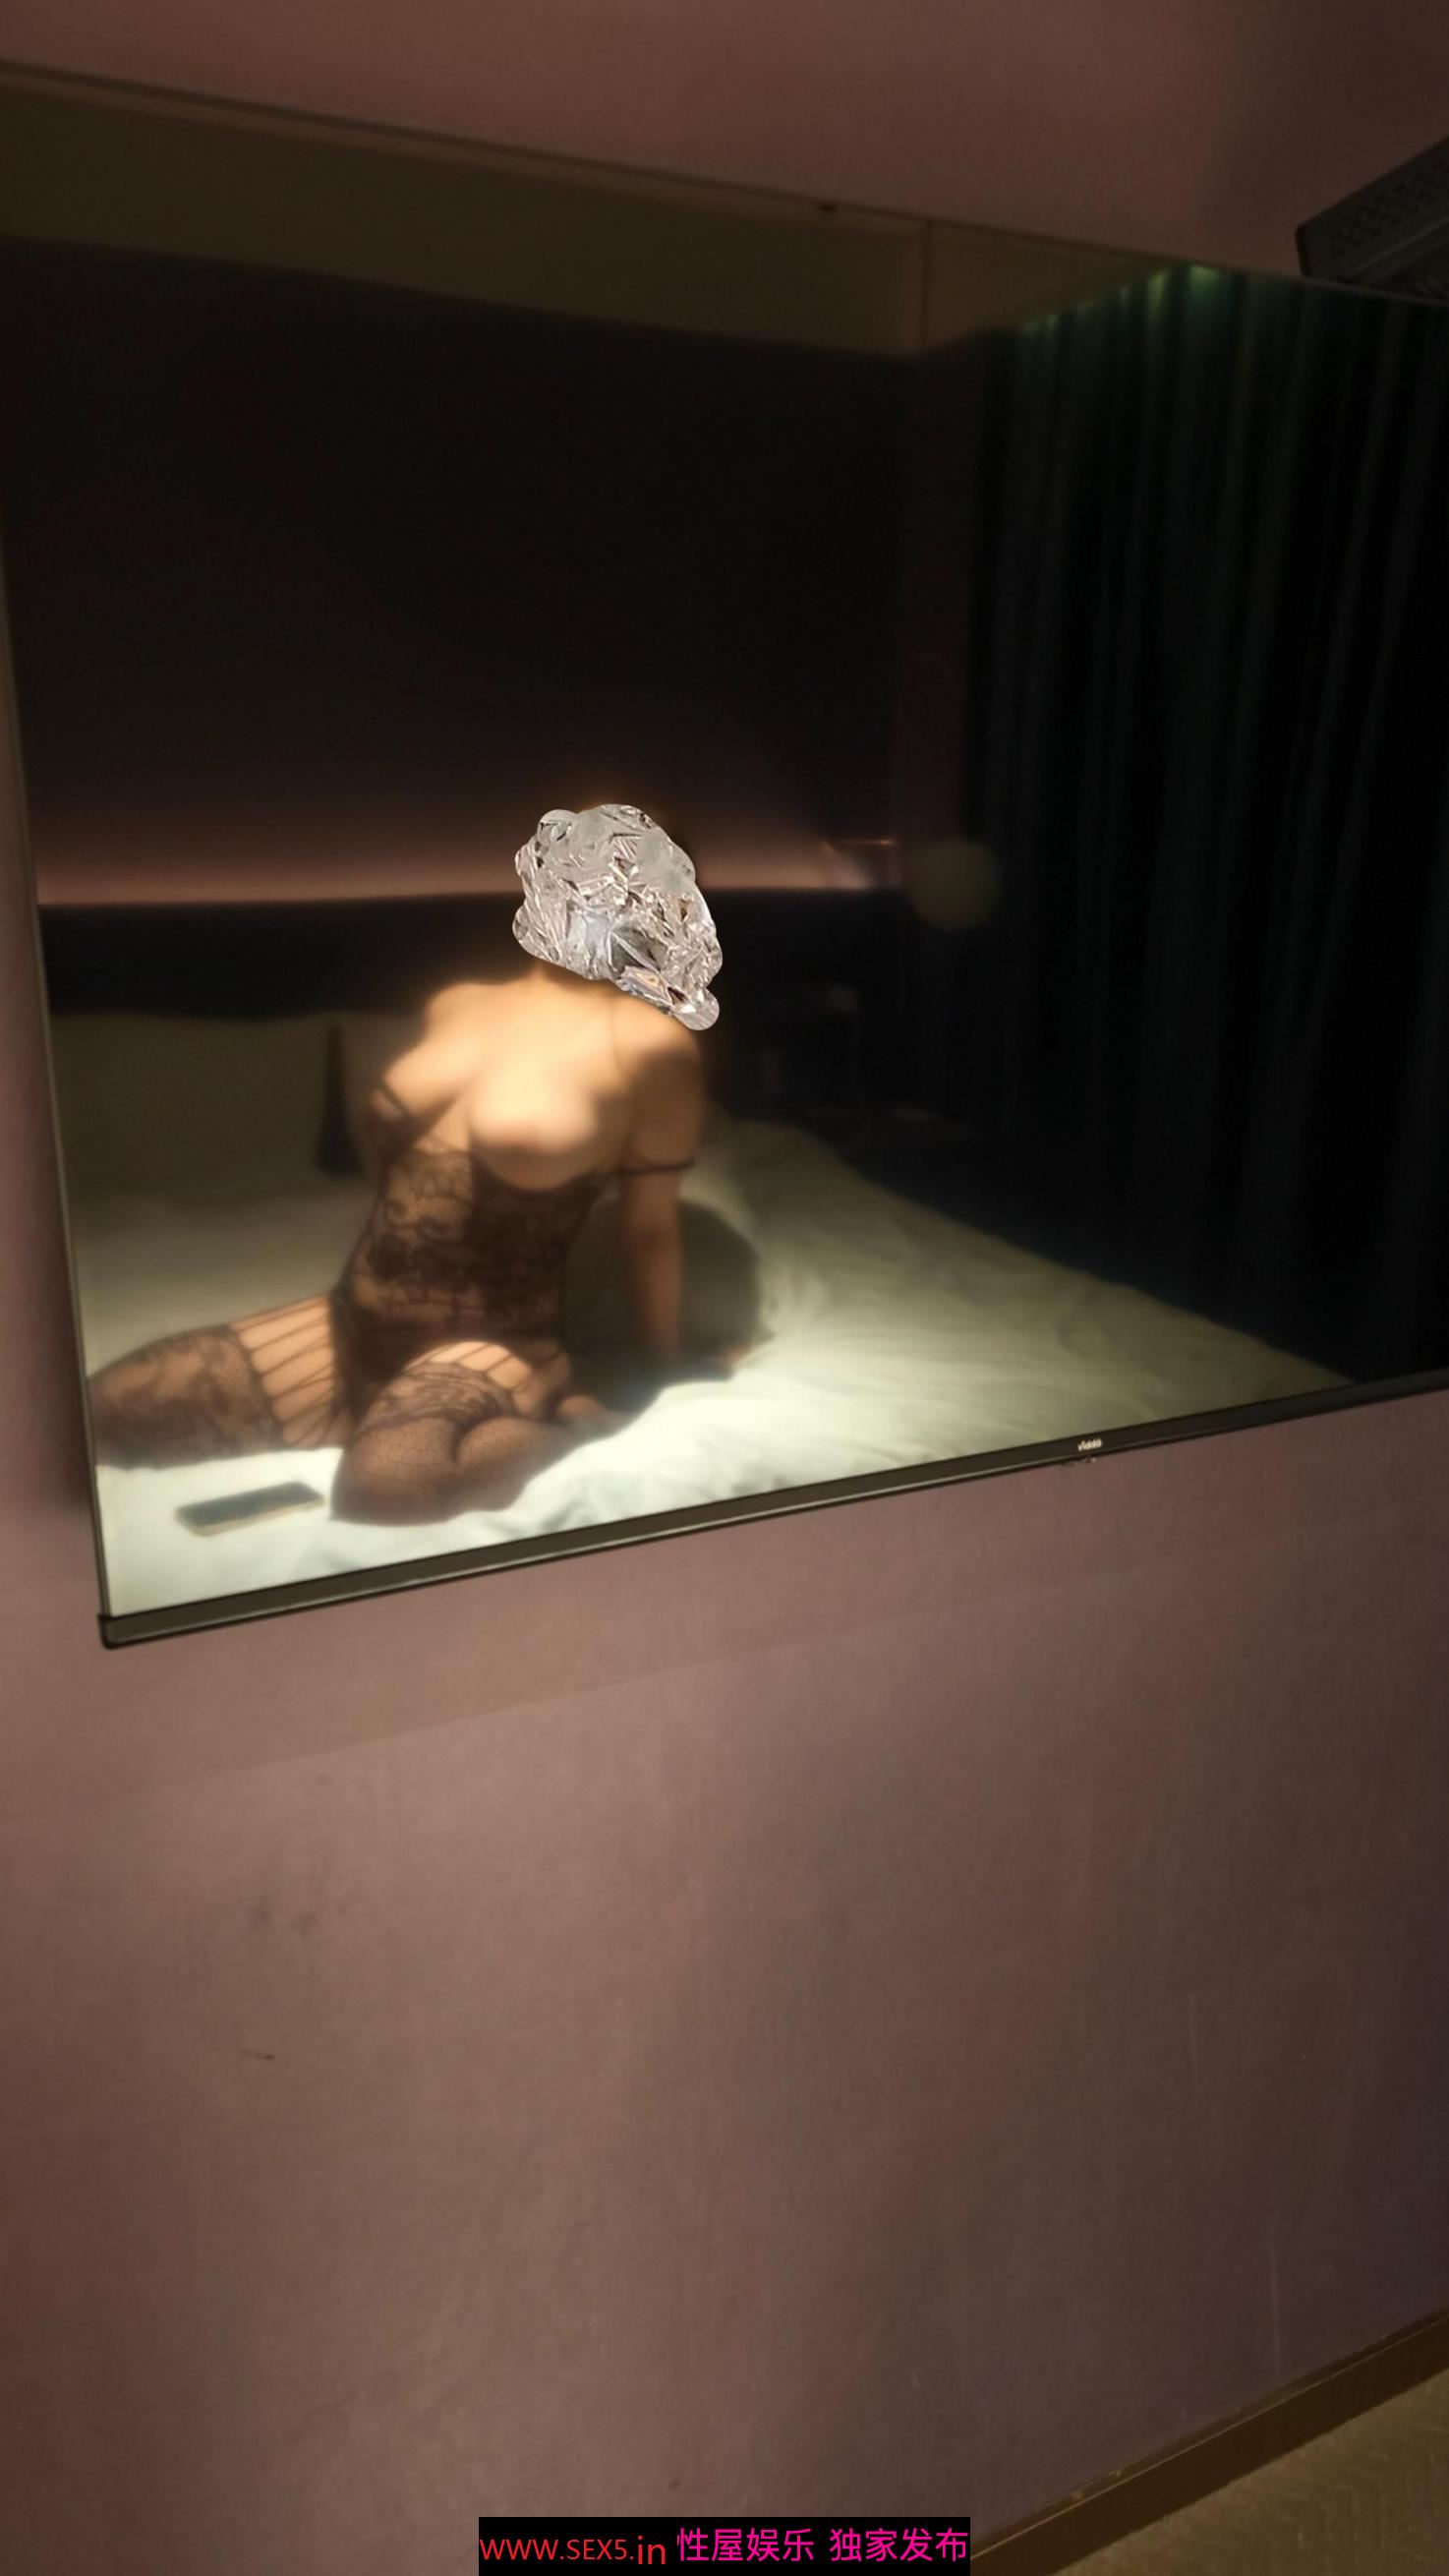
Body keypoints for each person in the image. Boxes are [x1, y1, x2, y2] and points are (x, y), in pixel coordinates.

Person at [89, 803, 727, 1524]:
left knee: (389, 1489)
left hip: (494, 1344)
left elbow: (650, 1231)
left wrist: (656, 1371)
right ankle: (373, 1410)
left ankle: (569, 1429)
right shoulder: (460, 1004)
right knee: (97, 1412)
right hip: (350, 1329)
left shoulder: (646, 1044)